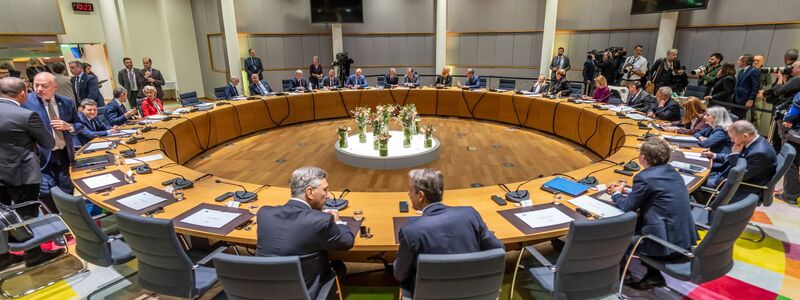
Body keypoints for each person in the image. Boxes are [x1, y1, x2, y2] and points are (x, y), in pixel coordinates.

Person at [607, 138, 698, 290]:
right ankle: (653, 276)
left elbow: (628, 206)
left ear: (643, 158)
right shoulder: (672, 172)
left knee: (617, 235)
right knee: (641, 223)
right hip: (683, 239)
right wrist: (626, 190)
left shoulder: (643, 177)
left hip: (664, 245)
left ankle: (621, 274)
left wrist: (616, 194)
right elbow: (656, 191)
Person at [393, 168, 503, 293]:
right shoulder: (470, 214)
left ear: (421, 196)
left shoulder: (410, 231)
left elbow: (399, 274)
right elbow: (498, 248)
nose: (408, 194)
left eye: (410, 190)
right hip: (473, 292)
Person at [256, 167, 354, 298]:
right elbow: (347, 242)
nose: (329, 195)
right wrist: (338, 221)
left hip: (263, 293)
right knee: (339, 267)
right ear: (310, 192)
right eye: (325, 190)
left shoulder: (264, 213)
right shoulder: (321, 221)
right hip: (304, 294)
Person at [0, 76, 62, 269]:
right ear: (22, 93)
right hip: (22, 173)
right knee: (26, 212)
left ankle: (3, 256)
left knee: (2, 214)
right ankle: (33, 253)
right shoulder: (26, 115)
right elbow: (48, 143)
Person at [22, 72, 82, 214]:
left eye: (44, 86)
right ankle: (54, 218)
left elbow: (79, 124)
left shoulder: (67, 102)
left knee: (67, 189)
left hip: (63, 154)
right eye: (36, 85)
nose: (39, 89)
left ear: (55, 87)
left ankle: (68, 218)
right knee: (46, 192)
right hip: (40, 156)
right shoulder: (25, 102)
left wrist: (68, 126)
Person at [701, 120, 777, 202]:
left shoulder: (760, 153)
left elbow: (738, 175)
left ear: (745, 136)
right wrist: (714, 155)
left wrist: (735, 154)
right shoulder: (753, 141)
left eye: (733, 138)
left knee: (696, 183)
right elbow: (738, 159)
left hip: (738, 186)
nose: (731, 140)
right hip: (726, 176)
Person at [777, 92, 800, 204]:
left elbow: (794, 111)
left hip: (797, 134)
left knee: (792, 163)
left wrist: (787, 119)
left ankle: (791, 195)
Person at [733, 54, 760, 120]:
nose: (737, 61)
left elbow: (755, 87)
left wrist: (750, 99)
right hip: (736, 98)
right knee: (733, 117)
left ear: (744, 61)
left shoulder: (753, 71)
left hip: (744, 100)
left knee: (739, 119)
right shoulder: (741, 71)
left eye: (739, 60)